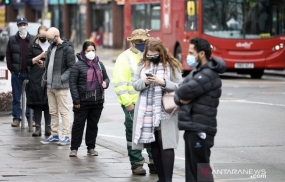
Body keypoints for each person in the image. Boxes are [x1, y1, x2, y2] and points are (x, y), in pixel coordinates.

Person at [174, 37, 226, 182]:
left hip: (201, 129)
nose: (189, 56)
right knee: (191, 172)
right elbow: (179, 94)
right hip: (192, 127)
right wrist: (181, 98)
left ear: (201, 54)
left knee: (201, 171)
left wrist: (181, 97)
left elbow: (183, 92)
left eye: (191, 52)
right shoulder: (198, 72)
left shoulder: (208, 74)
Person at [132, 37, 183, 182]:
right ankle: (161, 179)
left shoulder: (171, 65)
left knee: (166, 144)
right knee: (153, 144)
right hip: (147, 111)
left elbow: (180, 86)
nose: (152, 57)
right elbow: (135, 84)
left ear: (161, 52)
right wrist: (145, 82)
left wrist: (164, 82)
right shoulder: (142, 65)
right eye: (149, 54)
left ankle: (168, 179)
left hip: (166, 110)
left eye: (155, 55)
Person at [112, 29, 156, 175]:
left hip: (149, 102)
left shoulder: (151, 56)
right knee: (133, 135)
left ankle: (154, 162)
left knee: (152, 133)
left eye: (144, 41)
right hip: (133, 103)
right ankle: (136, 164)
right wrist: (128, 104)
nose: (142, 44)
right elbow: (120, 83)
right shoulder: (124, 58)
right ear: (132, 42)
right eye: (139, 42)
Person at [69, 41, 110, 157]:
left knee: (93, 125)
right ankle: (74, 148)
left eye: (93, 50)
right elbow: (73, 84)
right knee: (78, 125)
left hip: (97, 101)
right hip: (82, 102)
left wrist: (105, 83)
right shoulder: (78, 65)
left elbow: (107, 79)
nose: (91, 53)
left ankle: (91, 148)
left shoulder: (100, 65)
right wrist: (76, 100)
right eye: (88, 51)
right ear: (84, 51)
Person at [38, 27, 75, 145]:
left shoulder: (67, 48)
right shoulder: (51, 47)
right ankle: (54, 135)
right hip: (50, 86)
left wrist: (60, 79)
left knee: (63, 111)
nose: (48, 41)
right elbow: (51, 64)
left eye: (49, 39)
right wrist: (44, 64)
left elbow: (72, 68)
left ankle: (66, 136)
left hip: (61, 86)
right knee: (53, 111)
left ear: (56, 36)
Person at [6, 17, 35, 127]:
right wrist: (12, 69)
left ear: (27, 25)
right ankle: (16, 119)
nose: (23, 26)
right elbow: (8, 56)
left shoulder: (32, 39)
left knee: (30, 97)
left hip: (29, 73)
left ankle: (30, 118)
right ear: (18, 26)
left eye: (24, 24)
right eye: (20, 24)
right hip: (16, 74)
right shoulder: (12, 39)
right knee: (16, 97)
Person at [26, 25, 51, 137]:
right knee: (37, 103)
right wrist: (40, 56)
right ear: (37, 35)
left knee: (48, 104)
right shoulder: (33, 45)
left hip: (49, 77)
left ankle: (48, 127)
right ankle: (38, 128)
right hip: (36, 77)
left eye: (44, 36)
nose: (42, 37)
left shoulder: (52, 45)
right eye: (41, 35)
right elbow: (27, 61)